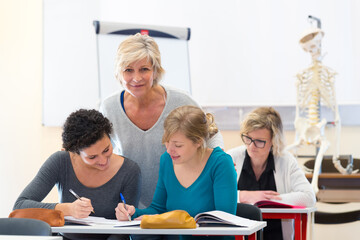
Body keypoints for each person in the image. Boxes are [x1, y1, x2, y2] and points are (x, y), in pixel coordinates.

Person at [100, 33, 224, 209]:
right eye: (128, 70)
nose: (136, 78)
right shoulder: (109, 107)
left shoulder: (181, 101)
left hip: (181, 201)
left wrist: (220, 164)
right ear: (119, 73)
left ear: (156, 70)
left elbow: (212, 135)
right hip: (132, 205)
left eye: (144, 69)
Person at [13, 109, 141, 240]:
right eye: (92, 157)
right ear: (75, 152)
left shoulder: (129, 170)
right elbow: (19, 206)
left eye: (106, 150)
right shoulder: (60, 161)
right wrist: (68, 209)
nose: (103, 161)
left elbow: (124, 231)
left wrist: (126, 215)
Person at [115, 106, 237, 240]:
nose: (169, 150)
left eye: (178, 145)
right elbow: (158, 209)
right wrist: (132, 212)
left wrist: (165, 220)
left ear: (198, 142)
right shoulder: (167, 160)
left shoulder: (220, 163)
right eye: (166, 142)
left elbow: (224, 221)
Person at [227, 107, 316, 240]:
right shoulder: (231, 157)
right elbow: (212, 197)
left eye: (259, 141)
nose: (251, 146)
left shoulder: (286, 161)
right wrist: (243, 195)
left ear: (274, 141)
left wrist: (267, 201)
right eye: (248, 138)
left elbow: (309, 197)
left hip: (277, 235)